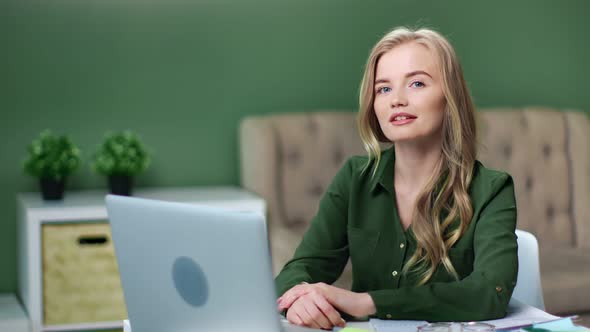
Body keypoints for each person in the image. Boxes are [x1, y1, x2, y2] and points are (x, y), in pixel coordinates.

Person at [274, 26, 518, 330]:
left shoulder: (491, 189)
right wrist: (299, 299)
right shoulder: (355, 178)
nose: (396, 100)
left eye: (416, 83)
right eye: (384, 89)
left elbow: (489, 293)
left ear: (450, 96)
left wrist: (367, 302)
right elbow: (300, 269)